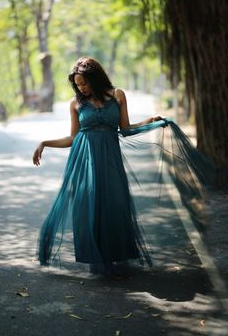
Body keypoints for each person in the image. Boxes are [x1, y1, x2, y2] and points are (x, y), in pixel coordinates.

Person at [33, 57, 212, 277]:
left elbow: (125, 129)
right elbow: (72, 137)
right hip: (85, 160)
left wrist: (150, 121)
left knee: (115, 203)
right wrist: (45, 143)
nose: (81, 88)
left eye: (84, 83)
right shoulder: (75, 103)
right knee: (89, 206)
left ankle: (115, 253)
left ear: (96, 79)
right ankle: (97, 257)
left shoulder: (117, 95)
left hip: (110, 159)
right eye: (78, 85)